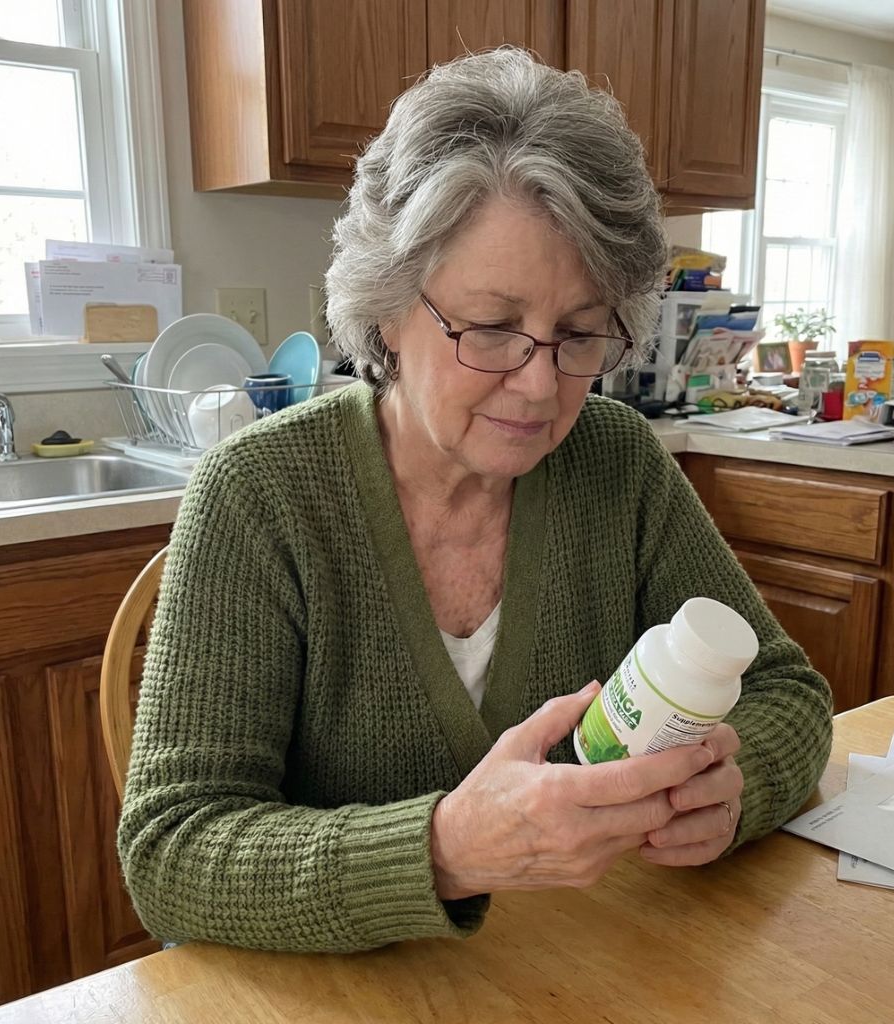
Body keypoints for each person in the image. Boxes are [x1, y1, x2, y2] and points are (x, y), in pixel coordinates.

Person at [118, 47, 832, 953]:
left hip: (574, 974)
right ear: (385, 309)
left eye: (579, 335)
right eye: (492, 329)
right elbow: (171, 852)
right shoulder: (260, 497)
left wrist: (733, 794)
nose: (540, 388)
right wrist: (445, 849)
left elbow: (785, 691)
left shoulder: (617, 463)